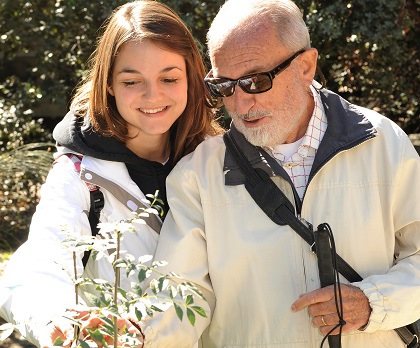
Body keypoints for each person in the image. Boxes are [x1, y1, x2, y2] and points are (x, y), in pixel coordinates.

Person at [138, 0, 420, 347]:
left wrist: (373, 303)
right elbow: (179, 298)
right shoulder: (197, 175)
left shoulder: (384, 144)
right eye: (225, 86)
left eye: (255, 82)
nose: (241, 106)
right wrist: (133, 338)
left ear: (305, 66)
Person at [0, 0, 223, 346]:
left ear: (191, 78)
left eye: (169, 77)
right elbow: (41, 260)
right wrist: (56, 317)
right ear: (108, 84)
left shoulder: (221, 161)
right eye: (132, 81)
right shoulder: (79, 176)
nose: (153, 95)